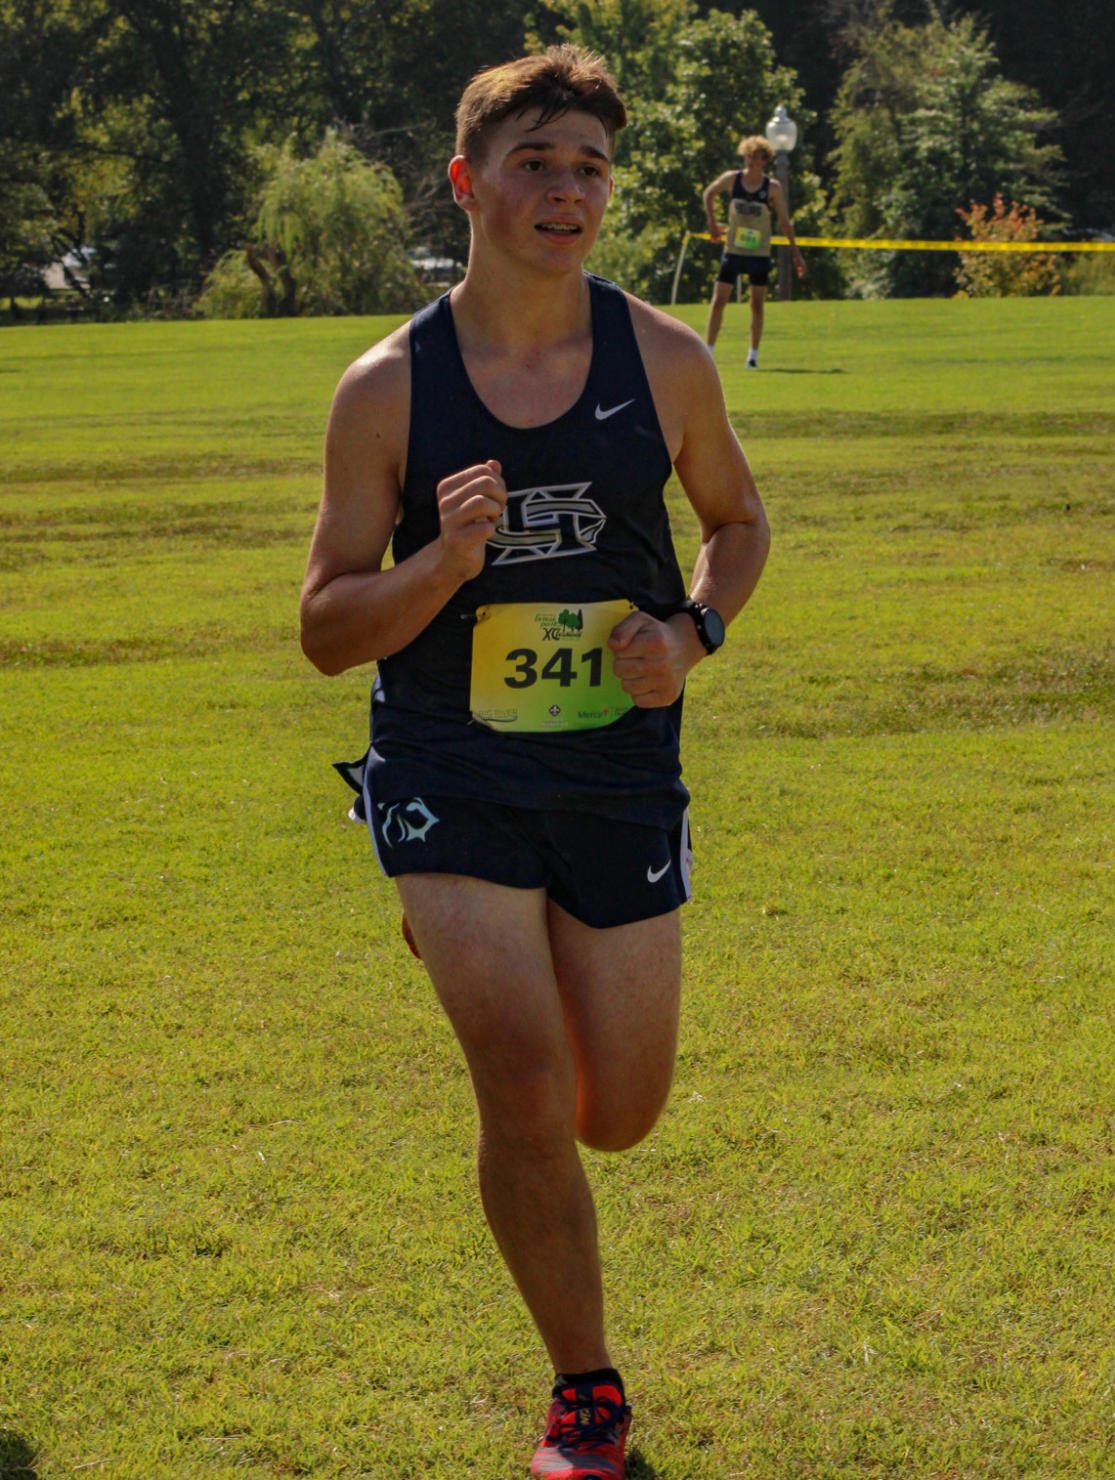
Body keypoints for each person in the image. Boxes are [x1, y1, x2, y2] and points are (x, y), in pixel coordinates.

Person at [299, 45, 769, 1480]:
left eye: (589, 170)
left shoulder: (664, 360)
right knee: (514, 1076)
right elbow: (325, 629)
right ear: (467, 184)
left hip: (617, 771)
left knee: (610, 1113)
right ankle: (586, 1395)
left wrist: (692, 632)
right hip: (448, 763)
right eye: (535, 166)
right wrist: (442, 564)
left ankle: (492, 967)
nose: (567, 193)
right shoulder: (387, 389)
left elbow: (738, 524)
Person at [702, 135, 806, 368]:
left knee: (756, 305)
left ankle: (752, 356)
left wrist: (796, 253)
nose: (751, 161)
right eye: (748, 156)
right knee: (719, 300)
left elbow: (785, 221)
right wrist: (712, 223)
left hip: (758, 254)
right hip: (734, 250)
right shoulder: (733, 179)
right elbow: (708, 193)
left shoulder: (773, 188)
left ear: (764, 160)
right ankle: (708, 352)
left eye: (756, 157)